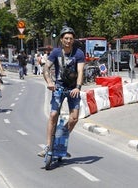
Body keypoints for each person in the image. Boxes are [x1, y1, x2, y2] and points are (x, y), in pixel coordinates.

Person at [38, 26, 85, 157]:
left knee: (74, 118)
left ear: (73, 39)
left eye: (71, 38)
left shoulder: (79, 53)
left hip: (73, 89)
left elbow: (81, 71)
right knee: (53, 115)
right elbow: (46, 67)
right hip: (58, 87)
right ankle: (48, 146)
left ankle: (61, 137)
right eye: (66, 38)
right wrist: (49, 82)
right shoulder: (56, 52)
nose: (68, 41)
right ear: (61, 39)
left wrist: (78, 87)